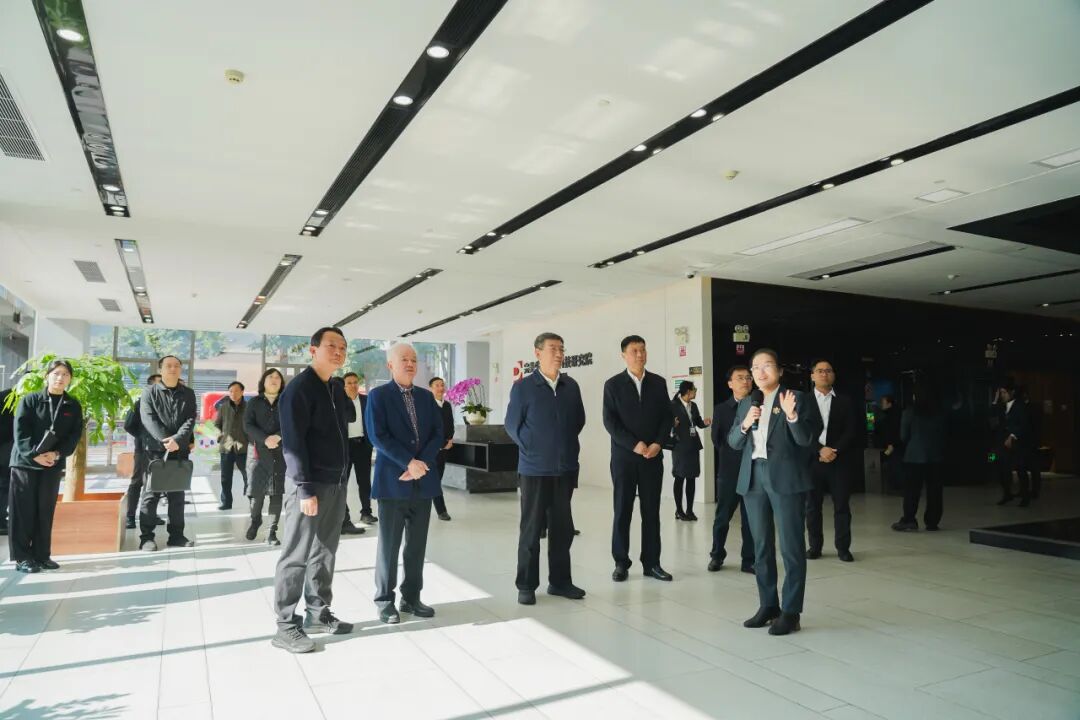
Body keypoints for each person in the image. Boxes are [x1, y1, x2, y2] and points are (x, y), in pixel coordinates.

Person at [271, 327, 355, 654]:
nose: (338, 351)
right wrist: (305, 488)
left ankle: (318, 612)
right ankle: (285, 626)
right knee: (296, 554)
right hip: (308, 485)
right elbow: (293, 444)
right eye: (331, 345)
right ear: (313, 350)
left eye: (342, 347)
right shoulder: (299, 389)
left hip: (335, 482)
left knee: (325, 551)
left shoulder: (334, 387)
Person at [727, 348, 818, 636]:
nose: (760, 372)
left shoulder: (796, 398)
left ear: (779, 370)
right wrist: (745, 423)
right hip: (753, 478)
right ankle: (768, 605)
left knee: (791, 546)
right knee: (761, 546)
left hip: (785, 479)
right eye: (755, 368)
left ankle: (791, 611)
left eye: (767, 366)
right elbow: (733, 442)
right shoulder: (747, 402)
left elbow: (807, 440)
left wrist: (792, 417)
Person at [505, 332, 587, 606]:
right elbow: (512, 425)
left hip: (564, 469)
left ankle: (560, 582)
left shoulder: (571, 386)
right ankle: (526, 585)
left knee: (563, 530)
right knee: (531, 530)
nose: (559, 354)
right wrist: (533, 448)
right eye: (553, 348)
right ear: (537, 353)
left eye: (562, 349)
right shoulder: (523, 388)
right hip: (534, 470)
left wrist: (564, 447)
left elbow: (579, 421)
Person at [366, 343, 444, 624]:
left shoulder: (426, 397)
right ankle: (385, 601)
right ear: (390, 365)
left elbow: (438, 433)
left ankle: (411, 597)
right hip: (392, 482)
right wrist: (408, 462)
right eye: (404, 360)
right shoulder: (378, 396)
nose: (410, 364)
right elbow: (378, 435)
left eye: (413, 360)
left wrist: (420, 464)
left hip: (423, 481)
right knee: (389, 546)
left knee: (416, 545)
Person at [602, 335, 674, 582]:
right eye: (634, 350)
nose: (640, 354)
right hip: (624, 459)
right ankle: (621, 562)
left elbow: (667, 417)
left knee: (651, 511)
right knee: (622, 510)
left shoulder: (658, 383)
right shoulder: (613, 385)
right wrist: (634, 444)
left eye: (643, 349)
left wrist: (658, 443)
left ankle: (652, 563)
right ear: (623, 355)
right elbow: (610, 421)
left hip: (652, 457)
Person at [8, 360, 84, 572]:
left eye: (65, 374)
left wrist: (57, 454)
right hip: (25, 464)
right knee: (23, 511)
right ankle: (22, 558)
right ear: (47, 376)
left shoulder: (72, 405)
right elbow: (20, 431)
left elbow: (73, 435)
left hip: (52, 463)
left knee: (45, 510)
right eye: (56, 373)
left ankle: (42, 555)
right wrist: (34, 455)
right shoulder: (30, 400)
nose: (60, 378)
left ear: (70, 379)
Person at [139, 355, 197, 551]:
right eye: (169, 365)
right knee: (151, 495)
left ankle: (176, 536)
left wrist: (178, 441)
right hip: (156, 452)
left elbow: (190, 419)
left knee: (177, 495)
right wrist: (167, 440)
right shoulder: (149, 392)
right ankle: (146, 537)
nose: (173, 369)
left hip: (179, 451)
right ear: (160, 369)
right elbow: (149, 419)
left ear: (181, 369)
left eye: (177, 366)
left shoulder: (188, 393)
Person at [804, 360, 858, 562]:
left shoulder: (845, 401)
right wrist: (819, 449)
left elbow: (851, 430)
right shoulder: (803, 401)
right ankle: (815, 547)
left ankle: (843, 548)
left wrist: (834, 450)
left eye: (828, 370)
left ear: (833, 375)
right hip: (812, 461)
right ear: (812, 376)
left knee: (842, 506)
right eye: (819, 371)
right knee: (812, 507)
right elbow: (801, 431)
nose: (824, 374)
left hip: (839, 460)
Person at [708, 366, 755, 573]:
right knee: (722, 518)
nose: (745, 381)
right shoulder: (721, 409)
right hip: (729, 472)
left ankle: (749, 560)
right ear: (730, 384)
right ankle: (717, 555)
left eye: (748, 378)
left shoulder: (758, 405)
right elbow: (717, 439)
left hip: (753, 471)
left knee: (750, 520)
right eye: (740, 378)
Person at [892, 385, 946, 531]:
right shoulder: (939, 413)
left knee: (911, 490)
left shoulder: (910, 412)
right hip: (935, 457)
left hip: (914, 457)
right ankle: (932, 521)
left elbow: (903, 436)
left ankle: (909, 520)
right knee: (934, 491)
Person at [244, 369, 286, 545]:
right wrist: (265, 439)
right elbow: (247, 425)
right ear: (264, 381)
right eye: (271, 377)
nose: (274, 380)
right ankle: (255, 521)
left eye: (278, 377)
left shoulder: (286, 401)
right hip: (258, 453)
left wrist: (277, 436)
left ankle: (271, 532)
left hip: (279, 452)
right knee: (256, 495)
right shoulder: (254, 402)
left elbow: (292, 423)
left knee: (276, 494)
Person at [123, 375, 162, 530]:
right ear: (150, 387)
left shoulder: (164, 403)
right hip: (143, 450)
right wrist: (143, 437)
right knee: (137, 482)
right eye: (159, 383)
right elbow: (128, 425)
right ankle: (130, 516)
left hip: (160, 450)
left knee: (155, 484)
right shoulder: (140, 403)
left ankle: (150, 515)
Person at [670, 380, 710, 521]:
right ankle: (679, 510)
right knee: (679, 477)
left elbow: (697, 423)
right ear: (688, 391)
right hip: (680, 447)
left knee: (691, 478)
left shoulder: (694, 406)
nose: (696, 391)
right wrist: (672, 424)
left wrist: (704, 423)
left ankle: (690, 510)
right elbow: (664, 423)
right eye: (694, 389)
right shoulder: (673, 405)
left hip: (693, 446)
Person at [341, 371, 373, 532]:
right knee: (342, 483)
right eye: (349, 383)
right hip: (344, 447)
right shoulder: (339, 402)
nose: (353, 385)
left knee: (365, 481)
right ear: (344, 386)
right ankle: (343, 515)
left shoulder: (367, 401)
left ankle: (366, 512)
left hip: (363, 445)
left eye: (355, 382)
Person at [995, 379, 1032, 507]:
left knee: (1021, 469)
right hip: (1002, 444)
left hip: (1018, 444)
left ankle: (1025, 496)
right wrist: (995, 401)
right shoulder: (1001, 406)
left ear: (1012, 392)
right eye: (1001, 393)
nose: (1002, 395)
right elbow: (993, 419)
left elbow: (1023, 424)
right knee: (1002, 468)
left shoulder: (1020, 406)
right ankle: (1007, 494)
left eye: (1004, 392)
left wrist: (1012, 436)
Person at [214, 381, 249, 511]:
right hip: (226, 447)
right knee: (225, 478)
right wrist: (219, 435)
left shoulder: (249, 407)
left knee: (248, 475)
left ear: (242, 392)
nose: (233, 393)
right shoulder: (223, 407)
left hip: (243, 447)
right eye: (231, 391)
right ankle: (226, 502)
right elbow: (217, 424)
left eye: (236, 391)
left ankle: (252, 499)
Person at [429, 376, 453, 522]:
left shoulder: (447, 405)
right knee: (434, 481)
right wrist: (440, 444)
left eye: (442, 385)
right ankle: (441, 510)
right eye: (437, 385)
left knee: (436, 480)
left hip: (444, 449)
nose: (440, 388)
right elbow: (428, 429)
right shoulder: (428, 405)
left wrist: (449, 440)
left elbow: (450, 425)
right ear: (431, 388)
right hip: (431, 450)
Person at [876, 394, 902, 493]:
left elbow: (892, 431)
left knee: (895, 465)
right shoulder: (897, 413)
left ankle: (896, 487)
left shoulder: (890, 416)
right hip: (895, 445)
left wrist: (891, 444)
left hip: (893, 445)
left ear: (889, 404)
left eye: (883, 403)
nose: (881, 405)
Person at [0, 387, 15, 536]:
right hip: (6, 448)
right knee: (4, 486)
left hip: (6, 446)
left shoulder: (5, 395)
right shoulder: (11, 397)